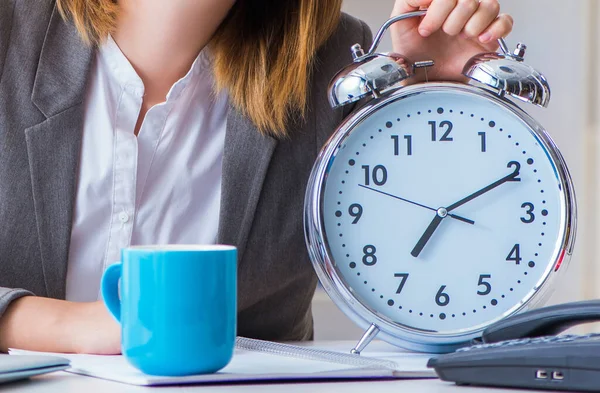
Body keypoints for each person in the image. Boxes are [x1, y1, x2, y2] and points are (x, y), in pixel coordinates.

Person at [0, 0, 512, 354]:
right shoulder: (11, 33)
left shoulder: (333, 61)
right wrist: (73, 327)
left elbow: (429, 282)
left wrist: (437, 106)